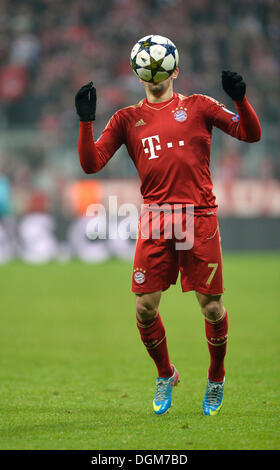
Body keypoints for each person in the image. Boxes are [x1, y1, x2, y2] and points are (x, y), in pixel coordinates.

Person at [75, 37, 261, 416]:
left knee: (211, 309)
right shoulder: (126, 119)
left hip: (199, 217)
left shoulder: (199, 106)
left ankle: (216, 376)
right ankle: (166, 373)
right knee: (144, 307)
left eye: (165, 66)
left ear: (175, 70)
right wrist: (85, 122)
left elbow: (249, 133)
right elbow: (92, 163)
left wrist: (241, 100)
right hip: (157, 219)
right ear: (139, 70)